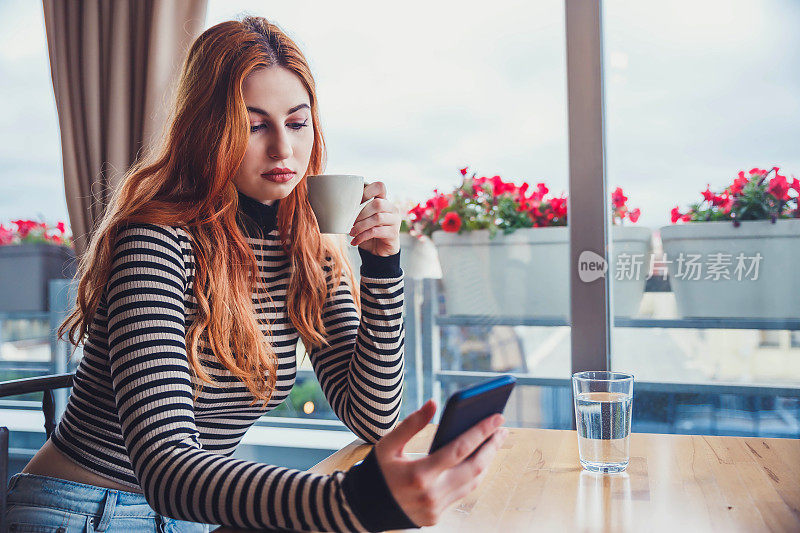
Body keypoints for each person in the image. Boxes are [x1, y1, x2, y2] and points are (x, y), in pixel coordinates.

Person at [5, 16, 508, 532]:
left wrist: (382, 267)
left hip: (189, 518)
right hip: (82, 511)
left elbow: (371, 415)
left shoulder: (304, 246)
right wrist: (353, 500)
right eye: (254, 124)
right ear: (208, 131)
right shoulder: (154, 240)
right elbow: (165, 469)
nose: (283, 150)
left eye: (296, 122)